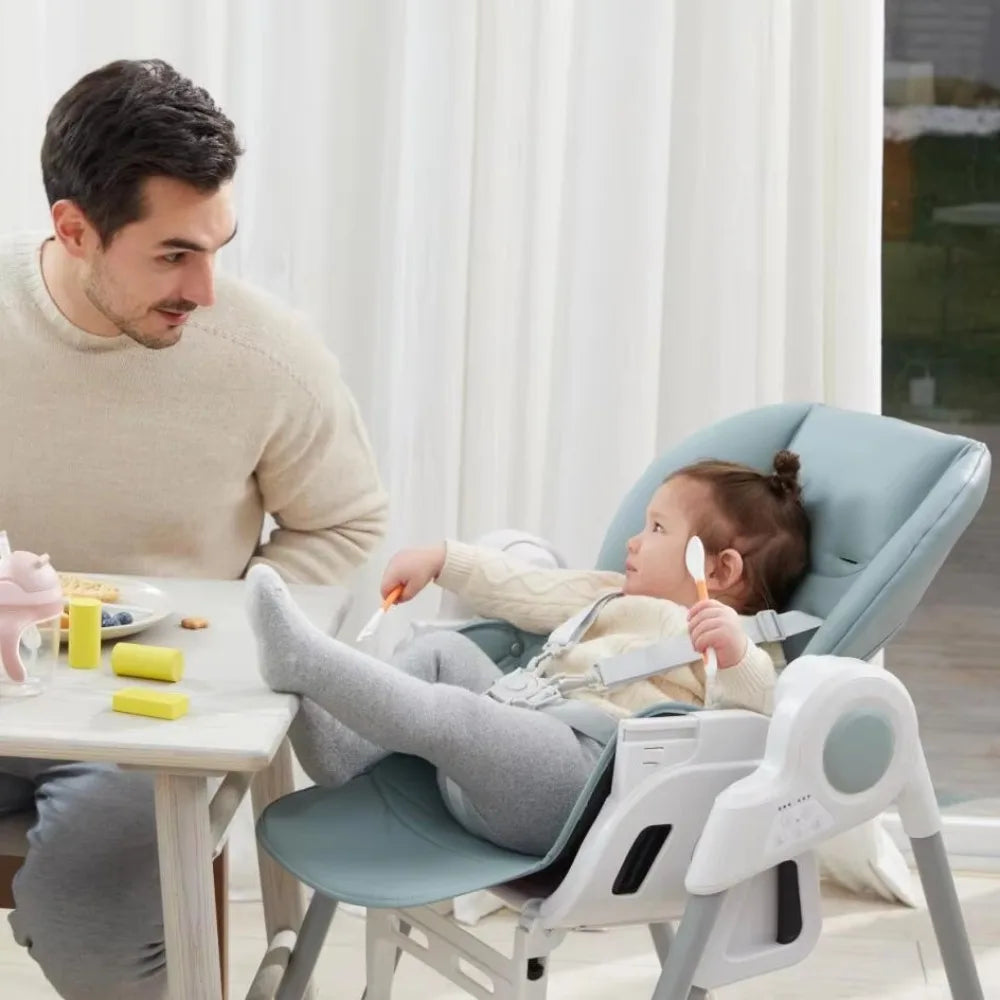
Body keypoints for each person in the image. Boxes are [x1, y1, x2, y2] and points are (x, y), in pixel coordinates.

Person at [0, 59, 387, 999]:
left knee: (87, 915)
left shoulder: (265, 356)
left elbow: (347, 525)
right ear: (74, 230)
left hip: (147, 717)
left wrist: (226, 630)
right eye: (173, 254)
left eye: (218, 248)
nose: (206, 288)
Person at [247, 452, 811, 857]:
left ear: (719, 569)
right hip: (515, 751)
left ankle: (307, 663)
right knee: (443, 650)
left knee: (460, 714)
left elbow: (759, 711)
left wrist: (736, 654)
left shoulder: (733, 638)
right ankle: (344, 749)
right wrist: (443, 559)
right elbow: (524, 590)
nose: (634, 541)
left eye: (658, 528)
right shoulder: (613, 595)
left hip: (582, 789)